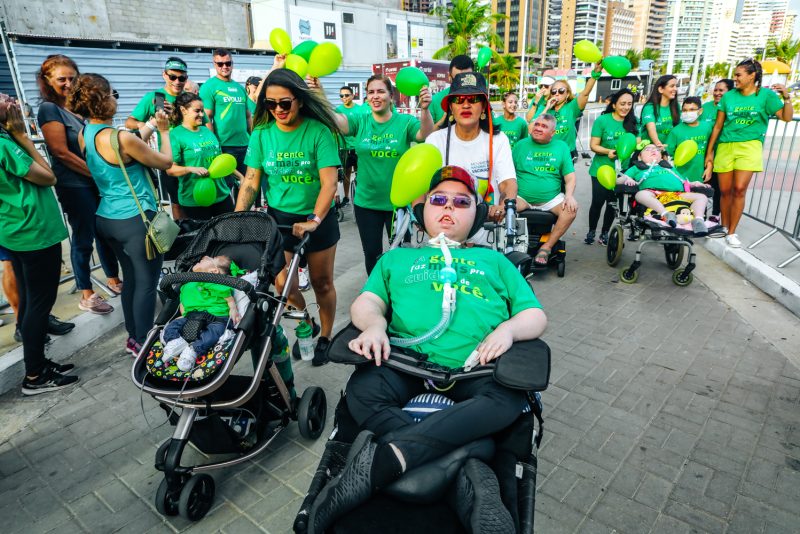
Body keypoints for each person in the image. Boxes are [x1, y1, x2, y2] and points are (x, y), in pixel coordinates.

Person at [308, 165, 547, 533]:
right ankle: (467, 458)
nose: (448, 207)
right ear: (423, 212)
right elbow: (366, 303)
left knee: (509, 400)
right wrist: (374, 326)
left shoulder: (495, 261)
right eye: (438, 199)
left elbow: (534, 314)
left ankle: (383, 461)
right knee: (362, 389)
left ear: (477, 215)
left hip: (476, 367)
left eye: (460, 201)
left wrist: (510, 330)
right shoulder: (396, 259)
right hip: (404, 363)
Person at [235, 69, 341, 366]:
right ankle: (307, 323)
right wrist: (237, 219)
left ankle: (326, 336)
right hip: (279, 219)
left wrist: (315, 220)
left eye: (285, 103)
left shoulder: (319, 132)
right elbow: (251, 180)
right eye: (271, 104)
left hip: (316, 219)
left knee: (321, 283)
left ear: (301, 101)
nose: (278, 110)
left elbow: (329, 184)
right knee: (284, 286)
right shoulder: (262, 134)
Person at [68, 73, 174, 357]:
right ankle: (142, 342)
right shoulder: (120, 137)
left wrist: (148, 125)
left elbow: (126, 148)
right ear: (103, 101)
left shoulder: (85, 133)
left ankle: (133, 337)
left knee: (131, 279)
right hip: (135, 219)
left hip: (107, 217)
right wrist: (163, 131)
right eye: (113, 93)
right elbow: (165, 162)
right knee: (147, 285)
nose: (117, 97)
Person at [0, 97, 78, 394]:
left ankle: (39, 365)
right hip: (32, 232)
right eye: (1, 98)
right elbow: (48, 176)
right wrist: (22, 135)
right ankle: (35, 375)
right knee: (38, 306)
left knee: (31, 303)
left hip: (17, 230)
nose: (8, 99)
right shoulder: (6, 143)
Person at [37, 54, 121, 316]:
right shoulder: (49, 109)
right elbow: (60, 152)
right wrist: (96, 173)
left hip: (92, 183)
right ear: (48, 81)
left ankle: (113, 279)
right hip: (75, 185)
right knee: (83, 237)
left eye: (72, 78)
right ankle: (87, 293)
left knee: (104, 233)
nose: (67, 83)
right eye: (61, 79)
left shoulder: (77, 109)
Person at [332, 75, 433, 273]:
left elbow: (425, 135)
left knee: (401, 254)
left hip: (398, 205)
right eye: (371, 92)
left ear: (391, 96)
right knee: (372, 255)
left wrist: (425, 109)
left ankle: (398, 297)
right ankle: (376, 296)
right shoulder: (360, 120)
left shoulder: (404, 122)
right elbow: (337, 122)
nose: (375, 96)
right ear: (366, 97)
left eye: (381, 91)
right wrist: (317, 94)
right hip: (366, 203)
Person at [704, 58, 793, 248]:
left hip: (750, 146)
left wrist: (786, 97)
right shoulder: (729, 97)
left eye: (738, 75)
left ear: (752, 75)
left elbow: (786, 117)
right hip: (726, 146)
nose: (735, 79)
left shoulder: (766, 96)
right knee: (725, 191)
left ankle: (732, 232)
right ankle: (723, 227)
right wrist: (710, 152)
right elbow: (718, 126)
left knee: (739, 189)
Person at [425, 72, 517, 226]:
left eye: (473, 99)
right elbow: (423, 186)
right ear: (451, 108)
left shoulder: (498, 140)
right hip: (444, 231)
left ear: (483, 107)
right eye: (459, 99)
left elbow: (507, 182)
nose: (466, 105)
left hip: (486, 230)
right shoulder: (435, 140)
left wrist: (505, 206)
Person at [126, 57, 189, 219]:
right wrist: (150, 124)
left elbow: (203, 122)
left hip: (193, 157)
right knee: (177, 203)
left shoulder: (189, 98)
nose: (177, 81)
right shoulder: (155, 97)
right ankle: (184, 236)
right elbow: (130, 122)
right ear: (164, 75)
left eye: (181, 78)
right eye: (172, 76)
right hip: (171, 159)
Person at [514, 114, 578, 265]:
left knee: (570, 210)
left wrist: (569, 196)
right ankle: (512, 247)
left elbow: (570, 177)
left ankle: (547, 247)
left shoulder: (561, 147)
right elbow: (507, 173)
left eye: (544, 126)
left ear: (553, 132)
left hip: (551, 199)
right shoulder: (520, 145)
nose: (538, 128)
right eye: (537, 124)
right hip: (522, 197)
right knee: (504, 208)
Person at [160, 255, 239, 371]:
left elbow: (228, 296)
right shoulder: (188, 283)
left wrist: (233, 309)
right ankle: (175, 341)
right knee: (171, 327)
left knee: (215, 332)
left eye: (208, 259)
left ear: (214, 271)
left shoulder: (216, 281)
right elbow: (183, 301)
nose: (205, 257)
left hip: (216, 317)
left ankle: (193, 350)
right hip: (191, 315)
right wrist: (183, 314)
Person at [166, 92, 237, 220]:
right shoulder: (175, 135)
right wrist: (190, 169)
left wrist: (241, 177)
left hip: (221, 195)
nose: (202, 114)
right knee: (203, 238)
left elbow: (219, 160)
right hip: (194, 199)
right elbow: (170, 169)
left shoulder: (206, 130)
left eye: (202, 111)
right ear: (183, 110)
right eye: (197, 111)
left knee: (229, 234)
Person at [620, 144, 711, 235]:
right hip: (654, 193)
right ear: (640, 157)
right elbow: (621, 179)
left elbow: (683, 181)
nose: (653, 150)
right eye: (648, 149)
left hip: (677, 194)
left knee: (701, 197)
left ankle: (698, 220)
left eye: (656, 149)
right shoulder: (637, 168)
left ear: (661, 156)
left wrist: (694, 183)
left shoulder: (669, 168)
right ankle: (666, 214)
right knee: (640, 195)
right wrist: (628, 179)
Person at [586, 88, 639, 245]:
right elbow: (594, 145)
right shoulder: (602, 120)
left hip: (622, 171)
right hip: (601, 169)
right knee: (597, 202)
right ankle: (591, 231)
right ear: (614, 104)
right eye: (622, 104)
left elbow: (636, 143)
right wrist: (608, 151)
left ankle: (604, 233)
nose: (626, 107)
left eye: (629, 104)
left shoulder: (633, 122)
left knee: (612, 204)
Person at [528, 64, 603, 161]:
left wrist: (595, 74)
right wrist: (546, 108)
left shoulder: (571, 107)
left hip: (566, 155)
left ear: (567, 94)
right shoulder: (545, 108)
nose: (557, 93)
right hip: (547, 153)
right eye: (554, 91)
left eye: (561, 91)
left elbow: (585, 94)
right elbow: (530, 129)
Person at [200, 48, 250, 187]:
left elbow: (247, 116)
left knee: (246, 185)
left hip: (245, 145)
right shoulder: (209, 86)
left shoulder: (239, 87)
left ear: (232, 63)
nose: (225, 67)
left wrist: (252, 138)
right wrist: (215, 145)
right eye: (220, 64)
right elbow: (206, 118)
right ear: (214, 64)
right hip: (225, 145)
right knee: (227, 187)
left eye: (228, 63)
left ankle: (246, 209)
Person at [702, 79, 734, 222]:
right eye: (715, 90)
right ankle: (700, 212)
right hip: (703, 151)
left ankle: (715, 213)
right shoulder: (705, 107)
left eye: (721, 90)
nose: (717, 93)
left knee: (717, 185)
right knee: (702, 182)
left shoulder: (729, 107)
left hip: (721, 151)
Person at [666, 96, 713, 183]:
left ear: (700, 111)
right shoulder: (675, 131)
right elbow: (667, 154)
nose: (688, 113)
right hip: (681, 178)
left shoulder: (707, 127)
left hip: (701, 176)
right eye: (684, 110)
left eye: (692, 110)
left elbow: (710, 149)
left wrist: (709, 167)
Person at [334, 85, 365, 209]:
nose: (344, 98)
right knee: (346, 175)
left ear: (352, 96)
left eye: (347, 95)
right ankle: (346, 197)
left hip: (358, 147)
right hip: (344, 148)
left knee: (360, 174)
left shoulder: (360, 110)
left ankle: (360, 196)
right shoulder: (338, 110)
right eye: (341, 96)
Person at [429, 55, 475, 128]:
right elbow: (425, 136)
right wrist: (442, 122)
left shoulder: (480, 99)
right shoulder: (435, 100)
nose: (462, 84)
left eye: (466, 79)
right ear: (449, 77)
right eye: (457, 80)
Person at [640, 75, 679, 148]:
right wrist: (658, 144)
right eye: (672, 86)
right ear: (661, 89)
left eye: (676, 86)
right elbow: (651, 127)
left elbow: (679, 128)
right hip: (651, 151)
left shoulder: (676, 107)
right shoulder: (650, 107)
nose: (675, 89)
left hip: (669, 151)